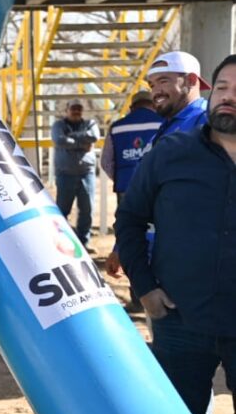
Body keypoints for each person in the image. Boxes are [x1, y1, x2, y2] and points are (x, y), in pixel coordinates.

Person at [115, 54, 236, 414]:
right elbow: (130, 219)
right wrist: (145, 286)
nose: (228, 97)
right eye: (223, 88)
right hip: (181, 320)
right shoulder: (171, 153)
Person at [106, 53, 210, 277]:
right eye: (152, 85)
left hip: (198, 265)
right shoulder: (164, 130)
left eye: (164, 81)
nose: (156, 92)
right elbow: (145, 195)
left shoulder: (208, 122)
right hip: (163, 259)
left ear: (192, 81)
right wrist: (123, 246)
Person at [50, 99, 99, 250]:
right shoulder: (59, 125)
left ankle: (84, 242)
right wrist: (81, 144)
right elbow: (59, 140)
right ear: (67, 110)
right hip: (65, 174)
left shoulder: (90, 123)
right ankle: (61, 243)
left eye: (79, 108)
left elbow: (94, 137)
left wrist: (72, 138)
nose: (76, 111)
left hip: (86, 173)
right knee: (62, 211)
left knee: (87, 209)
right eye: (73, 108)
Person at [99, 90, 161, 206]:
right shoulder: (164, 123)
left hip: (125, 186)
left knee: (128, 223)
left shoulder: (116, 127)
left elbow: (106, 162)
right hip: (156, 187)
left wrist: (120, 176)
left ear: (131, 107)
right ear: (154, 104)